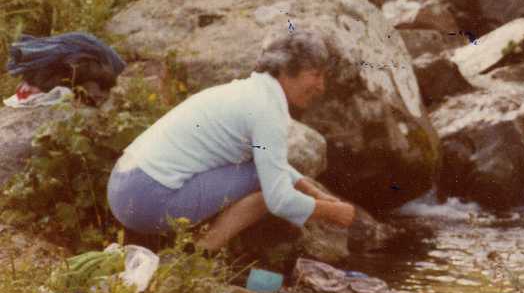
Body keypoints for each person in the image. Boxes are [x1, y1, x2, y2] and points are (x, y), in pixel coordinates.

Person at [107, 29, 355, 252]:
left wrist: (312, 191)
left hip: (123, 188)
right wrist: (332, 212)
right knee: (266, 185)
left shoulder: (247, 91)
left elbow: (268, 163)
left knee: (261, 173)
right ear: (285, 70)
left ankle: (190, 247)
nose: (321, 86)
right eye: (316, 75)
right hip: (146, 201)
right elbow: (278, 199)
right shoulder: (266, 111)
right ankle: (199, 253)